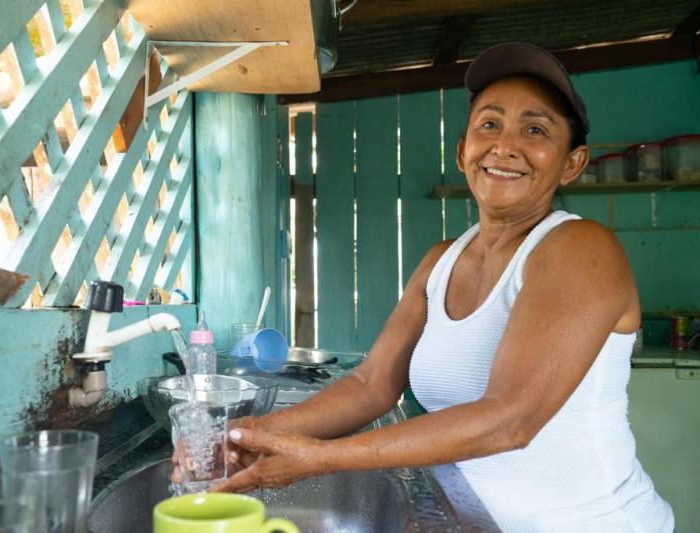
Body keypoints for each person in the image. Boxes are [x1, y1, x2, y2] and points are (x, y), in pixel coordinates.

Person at [175, 43, 675, 531]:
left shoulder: (580, 248)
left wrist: (322, 458)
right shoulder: (442, 261)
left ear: (572, 162)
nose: (505, 145)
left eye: (536, 129)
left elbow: (510, 419)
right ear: (463, 151)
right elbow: (370, 385)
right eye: (489, 124)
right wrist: (246, 436)